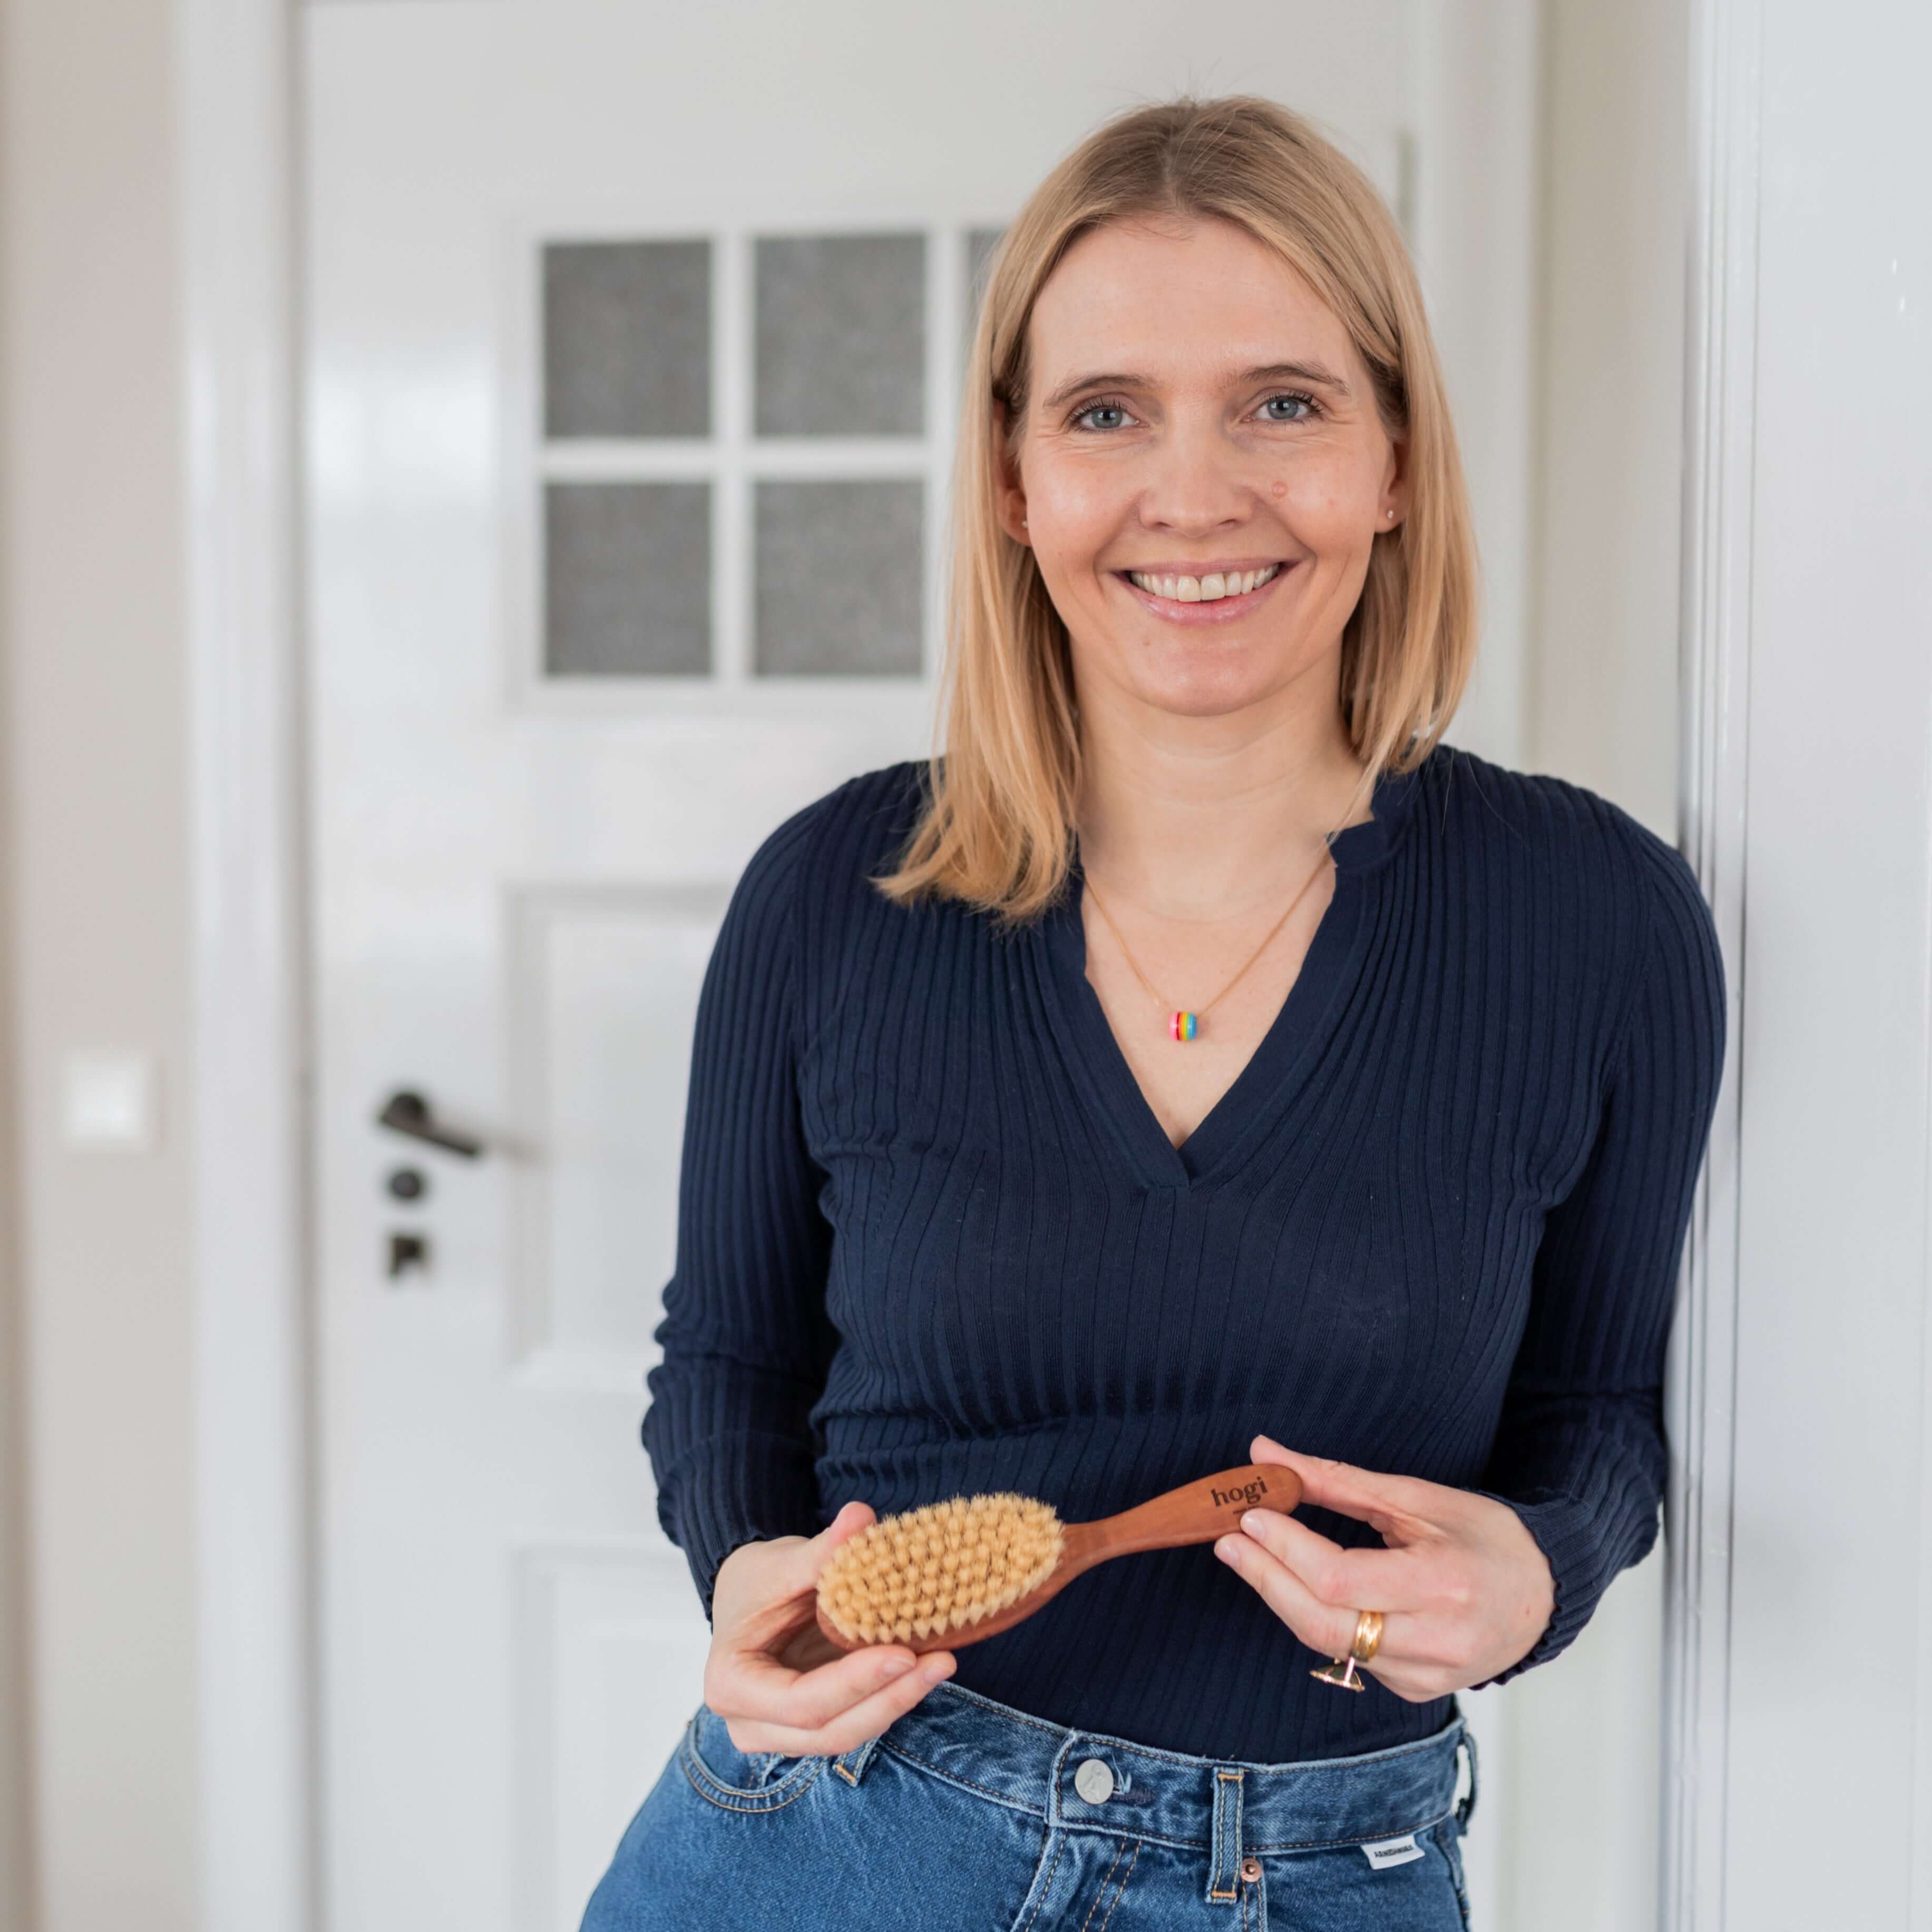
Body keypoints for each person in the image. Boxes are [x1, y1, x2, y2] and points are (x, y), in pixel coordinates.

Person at [581, 93, 1725, 1931]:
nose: (1193, 493)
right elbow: (729, 1365)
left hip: (1333, 1867)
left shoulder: (1594, 916)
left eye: (1282, 402)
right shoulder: (832, 895)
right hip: (845, 1836)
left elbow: (1595, 1407)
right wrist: (744, 1572)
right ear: (1019, 480)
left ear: (1396, 462)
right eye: (1105, 412)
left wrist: (1535, 1570)